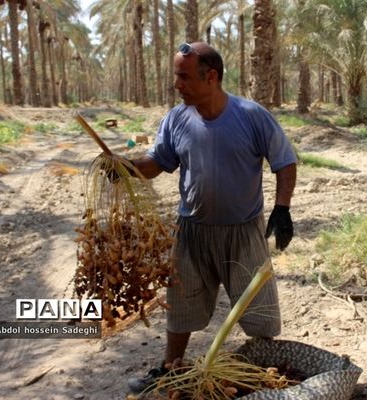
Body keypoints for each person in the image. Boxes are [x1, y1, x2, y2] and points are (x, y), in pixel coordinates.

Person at [123, 42, 297, 394]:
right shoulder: (176, 119)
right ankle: (170, 369)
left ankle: (262, 375)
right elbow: (157, 164)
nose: (177, 84)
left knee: (259, 314)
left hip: (244, 232)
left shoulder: (251, 115)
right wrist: (126, 168)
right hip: (192, 233)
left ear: (211, 77)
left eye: (184, 76)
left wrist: (282, 208)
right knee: (180, 309)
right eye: (176, 75)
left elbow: (284, 161)